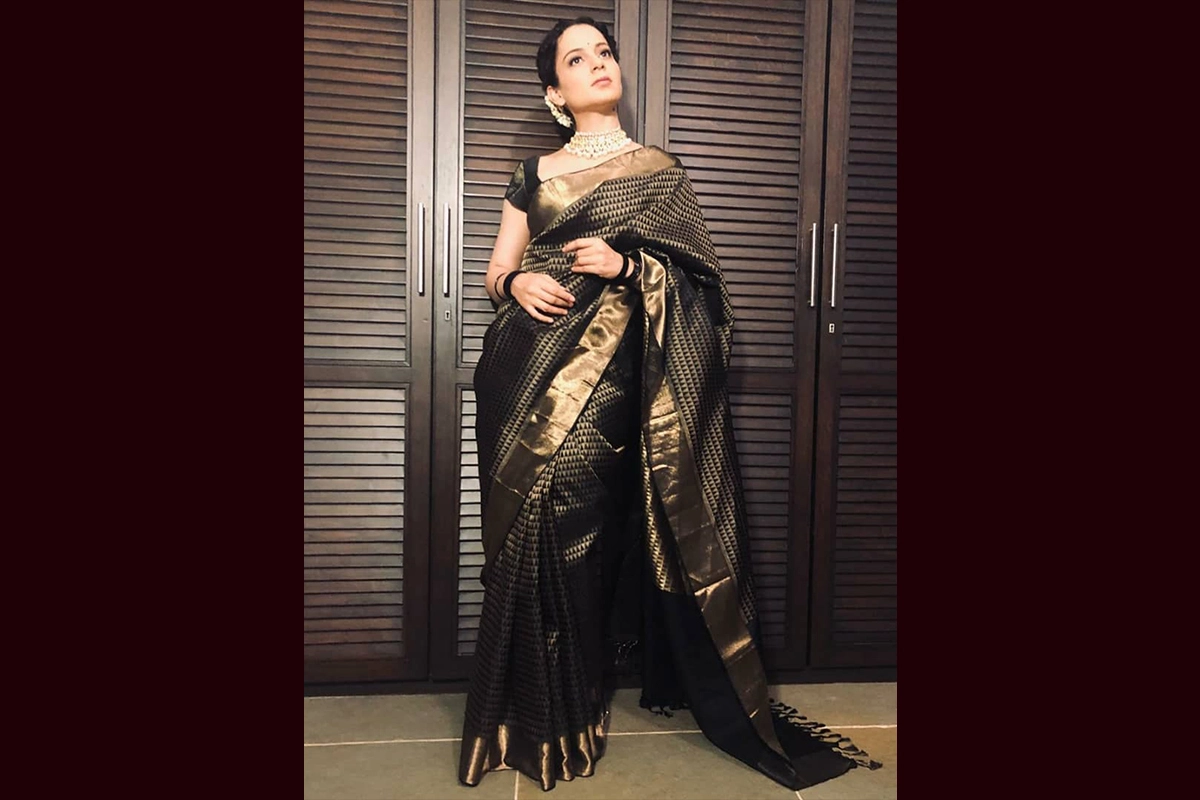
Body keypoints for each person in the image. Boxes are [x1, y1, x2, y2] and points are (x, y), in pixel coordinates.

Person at [459, 16, 879, 793]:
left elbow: (704, 290)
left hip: (606, 374)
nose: (598, 64)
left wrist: (627, 267)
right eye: (577, 59)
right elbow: (494, 272)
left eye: (604, 52)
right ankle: (517, 713)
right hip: (519, 368)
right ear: (555, 92)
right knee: (521, 534)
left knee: (577, 530)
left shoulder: (659, 172)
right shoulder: (533, 172)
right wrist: (517, 281)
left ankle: (569, 712)